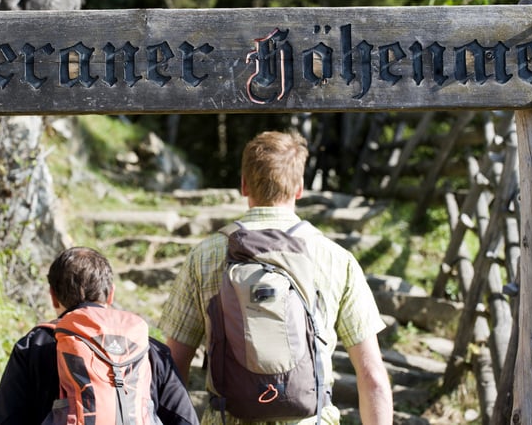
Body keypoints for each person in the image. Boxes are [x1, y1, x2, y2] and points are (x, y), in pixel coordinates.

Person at [160, 130, 393, 425]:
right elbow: (372, 376)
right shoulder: (335, 259)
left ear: (244, 185)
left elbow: (172, 368)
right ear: (299, 188)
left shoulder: (205, 256)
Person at [0, 246, 200, 425]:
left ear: (53, 297)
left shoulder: (34, 346)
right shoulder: (148, 347)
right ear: (110, 294)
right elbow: (185, 419)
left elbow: (7, 419)